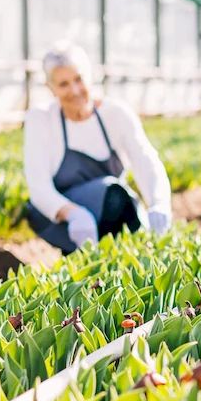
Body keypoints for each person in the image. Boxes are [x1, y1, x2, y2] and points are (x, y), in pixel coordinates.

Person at [23, 42, 172, 255]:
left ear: (91, 77)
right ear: (50, 87)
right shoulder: (40, 119)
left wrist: (158, 203)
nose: (74, 90)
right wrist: (73, 214)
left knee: (114, 194)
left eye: (78, 79)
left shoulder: (116, 113)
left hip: (112, 211)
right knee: (109, 191)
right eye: (63, 84)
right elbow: (38, 186)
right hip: (60, 220)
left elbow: (145, 159)